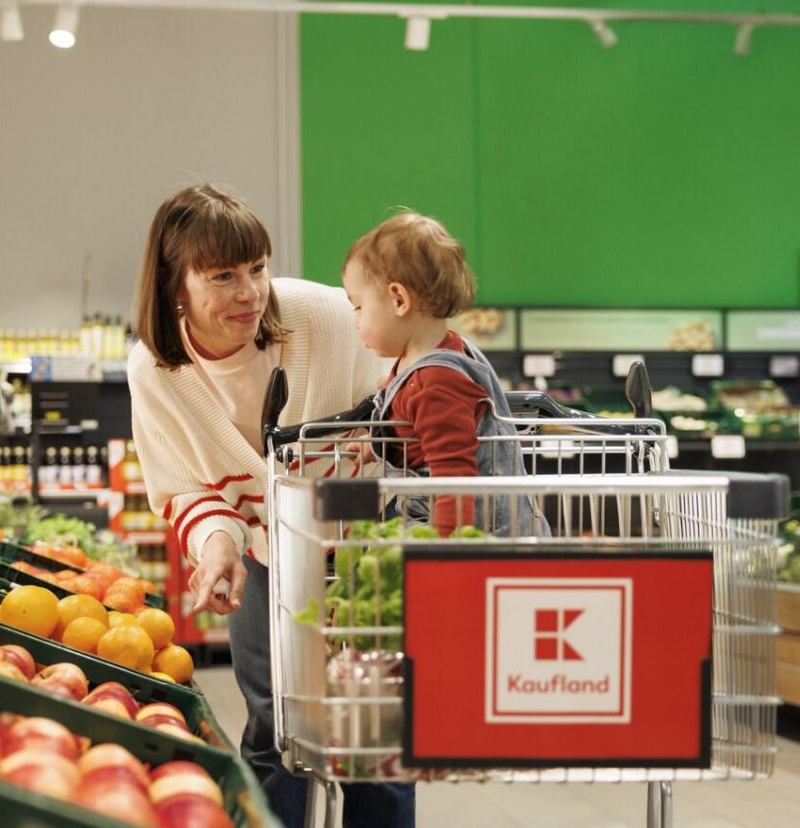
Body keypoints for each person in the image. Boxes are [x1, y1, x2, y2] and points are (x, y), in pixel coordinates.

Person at [127, 184, 415, 827]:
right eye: (223, 276)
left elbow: (420, 379)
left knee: (372, 741)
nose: (251, 292)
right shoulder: (155, 372)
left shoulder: (329, 318)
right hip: (267, 557)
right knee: (273, 729)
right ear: (177, 286)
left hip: (367, 550)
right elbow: (184, 488)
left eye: (257, 268)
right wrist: (219, 547)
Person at [342, 211, 544, 536]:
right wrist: (378, 445)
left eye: (359, 307)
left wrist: (446, 556)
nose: (356, 321)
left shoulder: (436, 381)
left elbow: (454, 478)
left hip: (475, 535)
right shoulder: (434, 355)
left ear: (398, 299)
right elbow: (420, 433)